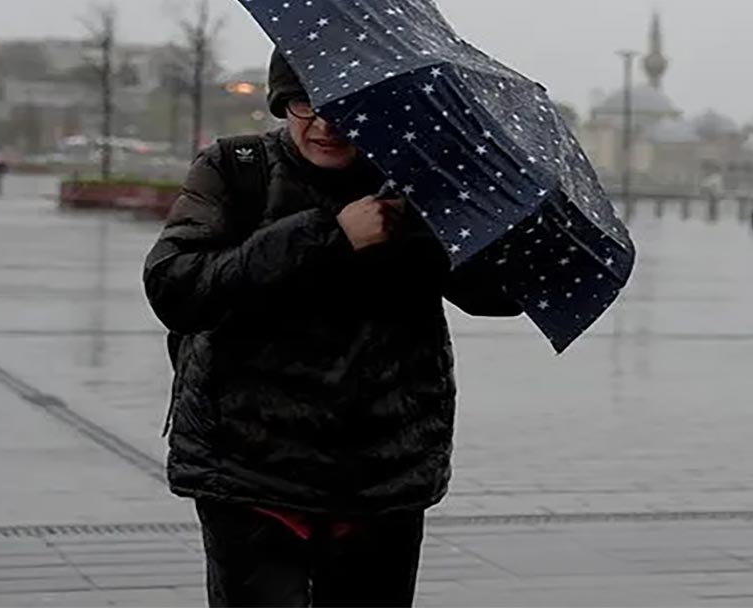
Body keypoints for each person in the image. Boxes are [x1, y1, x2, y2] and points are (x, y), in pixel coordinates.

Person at [142, 51, 519, 608]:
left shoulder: (419, 183)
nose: (325, 123)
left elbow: (498, 298)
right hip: (252, 472)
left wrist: (443, 221)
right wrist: (329, 235)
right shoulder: (234, 169)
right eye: (305, 103)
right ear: (280, 103)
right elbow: (177, 288)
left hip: (383, 474)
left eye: (347, 107)